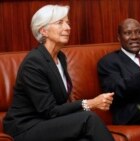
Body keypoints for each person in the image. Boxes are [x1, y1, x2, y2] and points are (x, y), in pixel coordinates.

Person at [3, 4, 114, 141]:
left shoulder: (60, 57)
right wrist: (90, 103)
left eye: (67, 23)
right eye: (60, 23)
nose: (68, 28)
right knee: (88, 118)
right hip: (26, 127)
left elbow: (59, 106)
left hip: (48, 123)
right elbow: (49, 111)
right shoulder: (33, 63)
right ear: (44, 31)